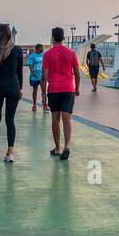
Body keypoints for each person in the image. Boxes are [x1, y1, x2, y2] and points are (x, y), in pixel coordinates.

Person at [0, 23, 24, 163]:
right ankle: (10, 153)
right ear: (9, 34)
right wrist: (20, 89)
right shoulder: (17, 50)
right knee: (10, 120)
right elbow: (19, 72)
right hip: (13, 87)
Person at [43, 27, 81, 160]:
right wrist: (77, 88)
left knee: (55, 120)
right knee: (67, 118)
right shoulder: (71, 53)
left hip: (54, 90)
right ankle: (67, 146)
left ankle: (57, 148)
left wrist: (43, 94)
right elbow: (77, 73)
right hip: (68, 89)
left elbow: (44, 77)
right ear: (63, 38)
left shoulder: (47, 55)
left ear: (52, 38)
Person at [26, 43, 45, 111]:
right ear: (37, 49)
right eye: (41, 48)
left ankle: (45, 104)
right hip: (34, 77)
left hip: (42, 76)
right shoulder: (32, 56)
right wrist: (33, 73)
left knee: (44, 90)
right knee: (35, 90)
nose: (43, 50)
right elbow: (30, 66)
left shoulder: (43, 55)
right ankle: (34, 104)